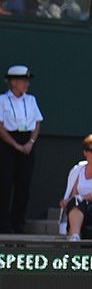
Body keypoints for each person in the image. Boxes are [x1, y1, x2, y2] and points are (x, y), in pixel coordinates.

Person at [0, 65, 44, 234]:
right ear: (14, 82)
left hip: (27, 142)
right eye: (23, 81)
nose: (27, 84)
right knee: (5, 184)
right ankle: (4, 223)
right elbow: (1, 126)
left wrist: (30, 142)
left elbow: (37, 122)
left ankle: (19, 222)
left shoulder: (31, 99)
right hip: (8, 143)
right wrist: (15, 144)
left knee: (23, 184)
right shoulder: (3, 100)